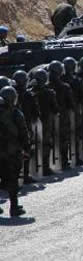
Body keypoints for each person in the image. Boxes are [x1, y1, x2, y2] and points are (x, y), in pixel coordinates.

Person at [0, 86, 30, 216]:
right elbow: (23, 133)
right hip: (11, 152)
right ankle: (14, 207)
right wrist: (27, 149)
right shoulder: (16, 113)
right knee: (13, 179)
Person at [12, 70, 40, 184]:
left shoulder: (11, 93)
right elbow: (36, 112)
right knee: (27, 150)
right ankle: (25, 175)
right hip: (25, 125)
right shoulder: (29, 95)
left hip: (12, 127)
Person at [30, 69, 59, 175]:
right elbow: (55, 108)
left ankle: (34, 167)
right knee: (46, 144)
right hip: (46, 122)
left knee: (34, 144)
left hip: (33, 122)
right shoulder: (49, 92)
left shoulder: (30, 92)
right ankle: (45, 167)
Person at [48, 61, 75, 169]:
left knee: (50, 140)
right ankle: (64, 162)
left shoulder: (47, 86)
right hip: (62, 116)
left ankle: (50, 163)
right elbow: (71, 104)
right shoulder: (65, 87)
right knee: (63, 139)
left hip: (48, 118)